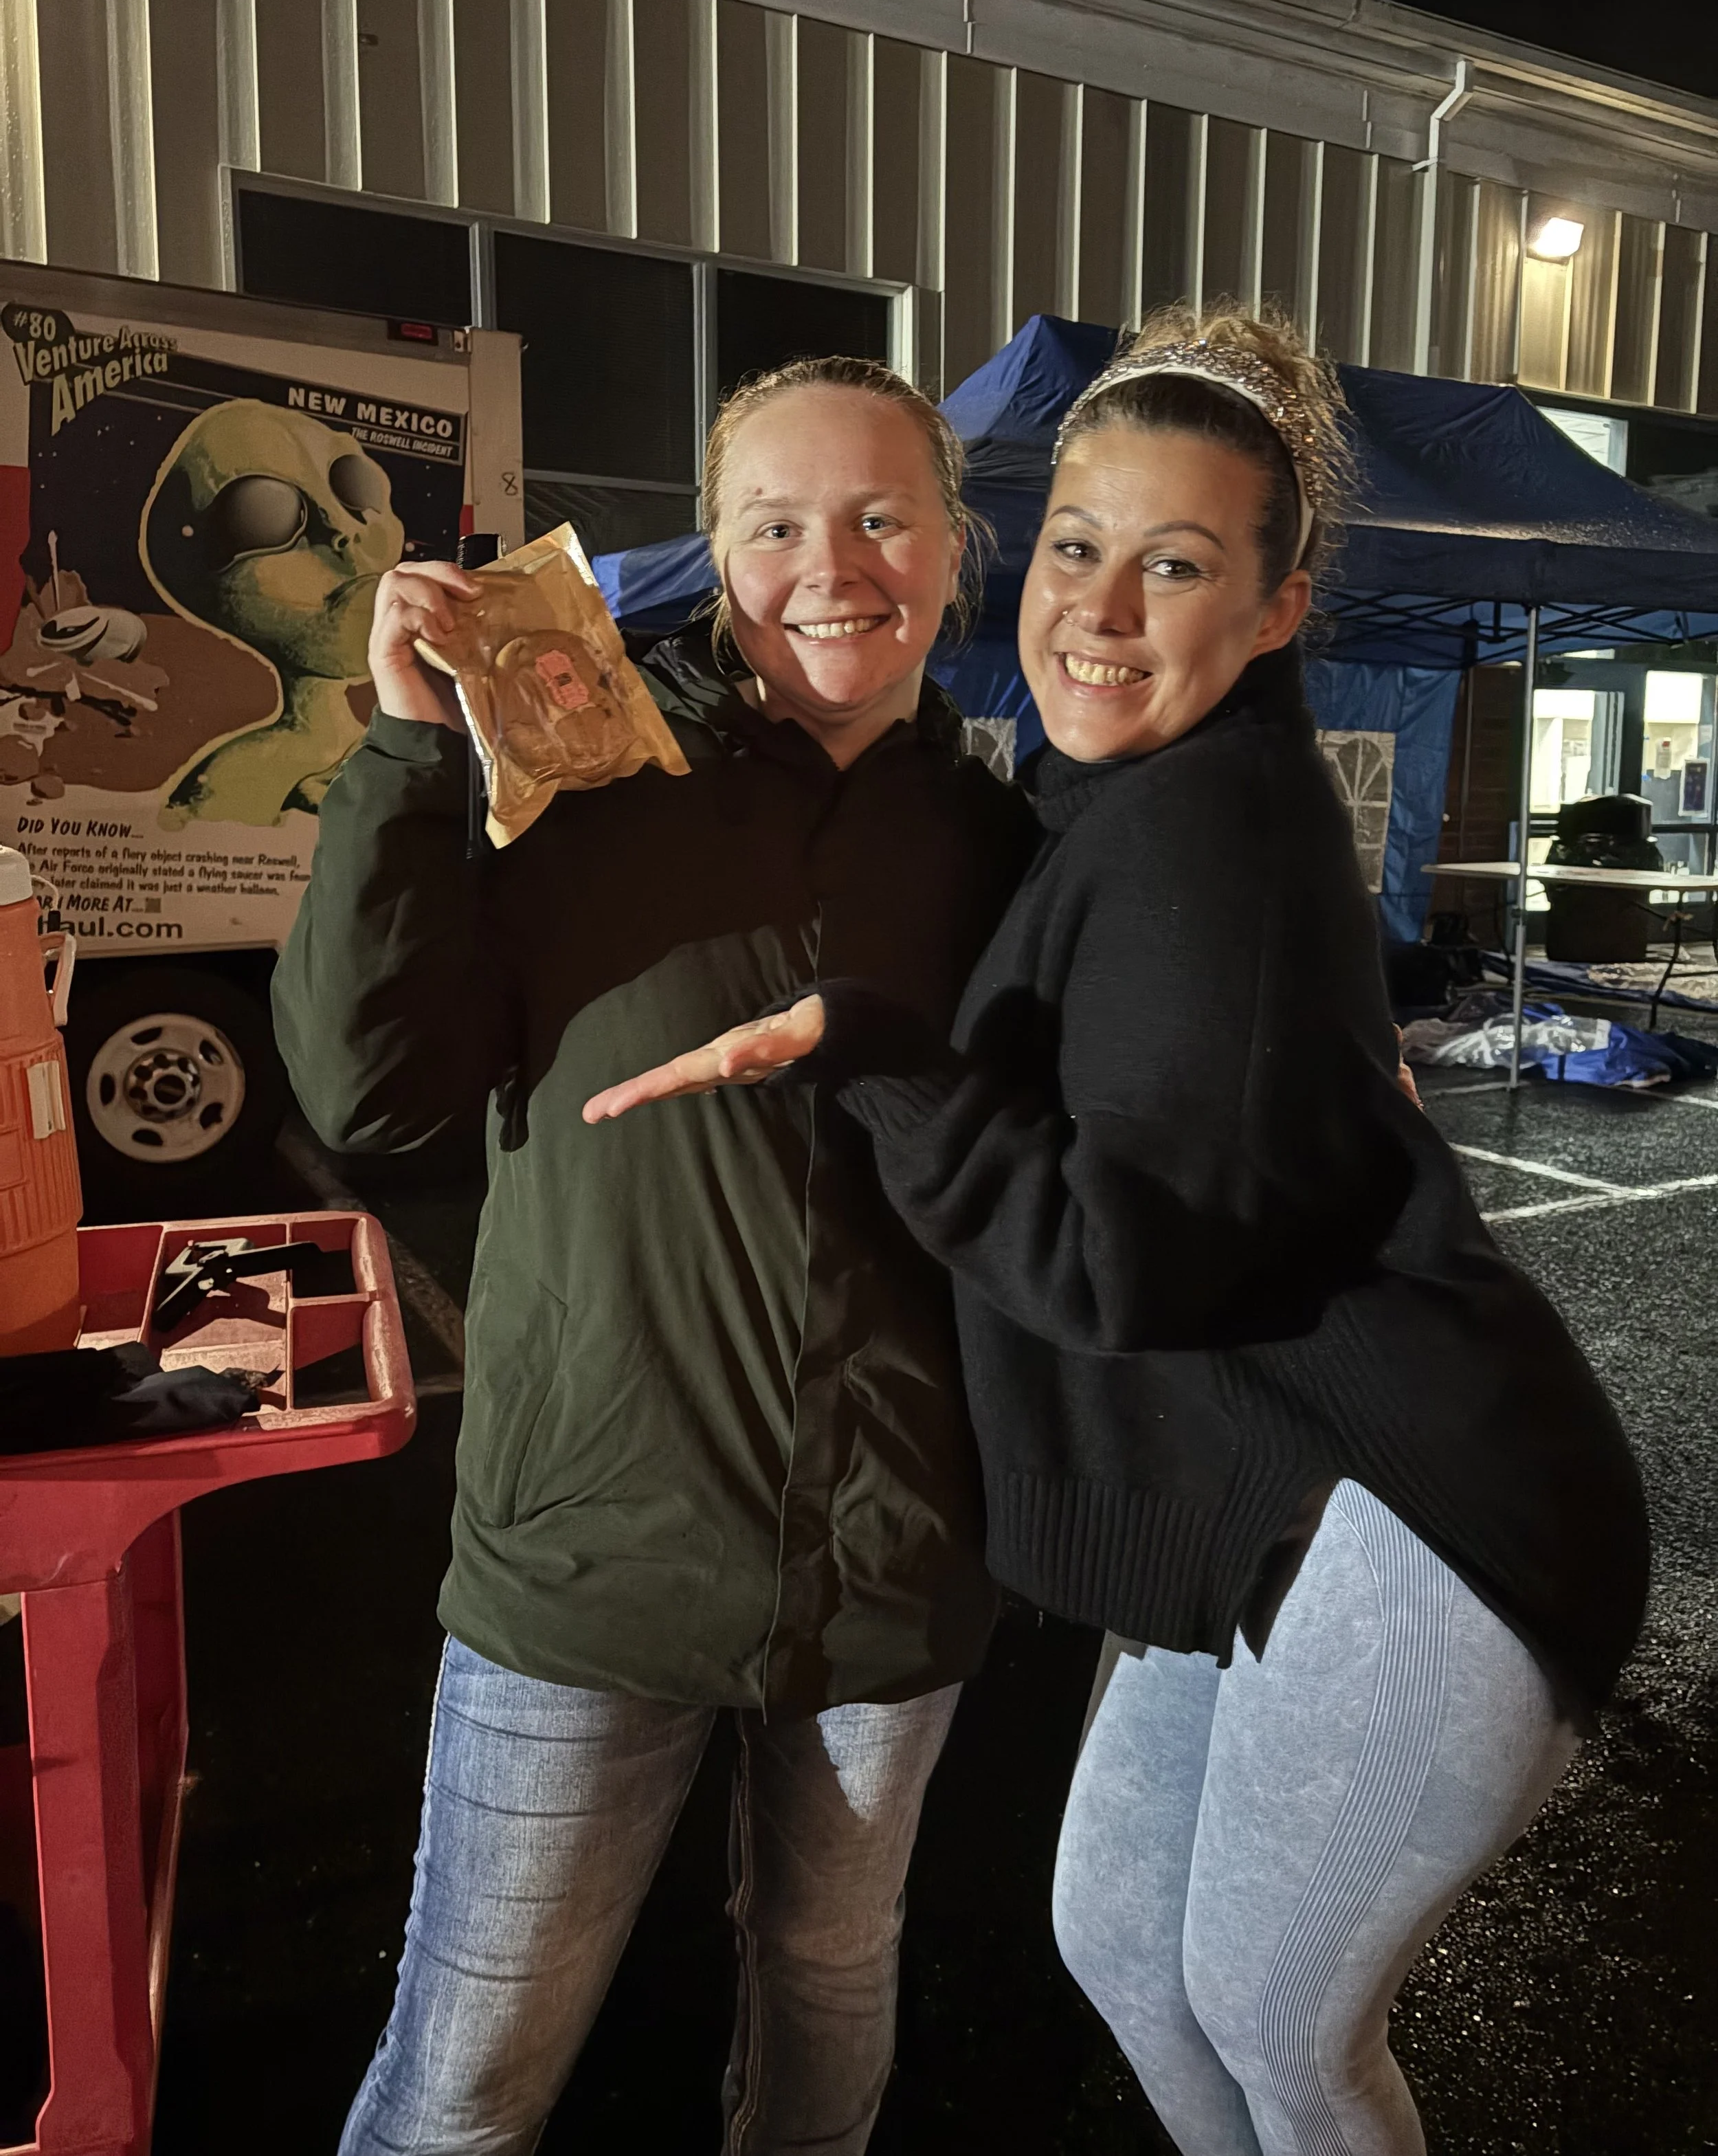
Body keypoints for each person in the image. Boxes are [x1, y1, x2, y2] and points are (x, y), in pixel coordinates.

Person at [585, 306, 1652, 2156]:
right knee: (1120, 1941)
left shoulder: (1205, 834)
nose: (1094, 605)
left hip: (1423, 1514)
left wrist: (877, 1057)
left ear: (1273, 609)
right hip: (1269, 1495)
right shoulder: (1111, 801)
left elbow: (1120, 1260)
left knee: (1268, 2007)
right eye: (1075, 545)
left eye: (1174, 565)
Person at [272, 355, 1036, 2156]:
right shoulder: (580, 775)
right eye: (775, 521)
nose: (830, 560)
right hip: (589, 1560)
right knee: (465, 2078)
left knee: (829, 1990)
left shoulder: (1003, 841)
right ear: (713, 549)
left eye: (879, 514)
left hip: (894, 1568)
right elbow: (369, 1095)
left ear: (951, 546)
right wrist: (402, 750)